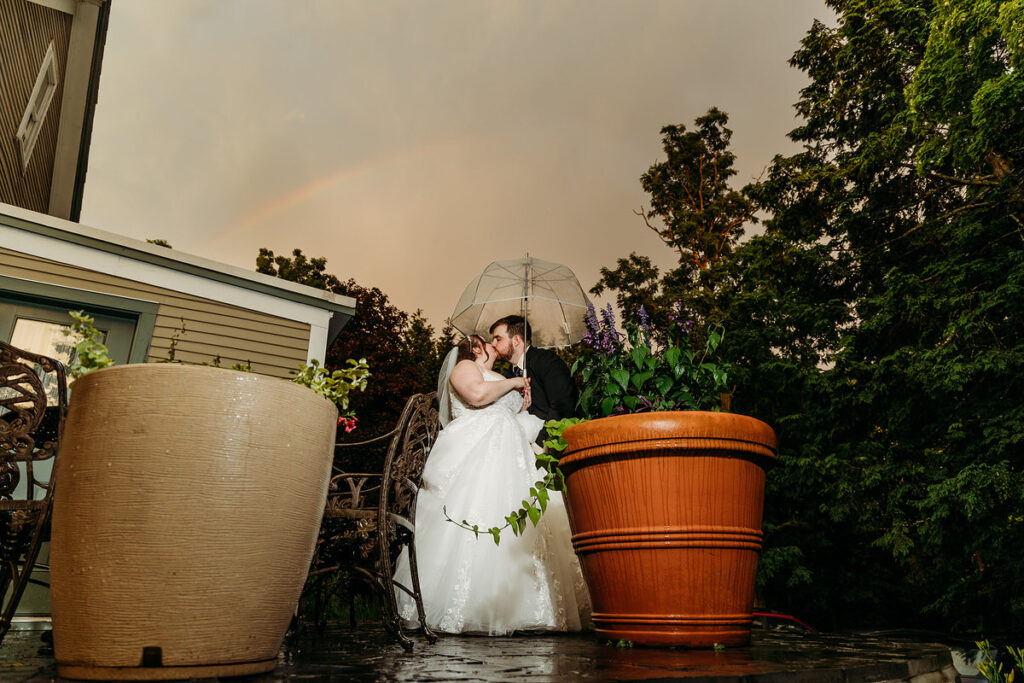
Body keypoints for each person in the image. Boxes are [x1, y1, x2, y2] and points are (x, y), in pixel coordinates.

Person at [393, 334, 590, 635]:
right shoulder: (465, 367)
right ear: (476, 348)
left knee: (521, 524)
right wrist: (512, 385)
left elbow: (507, 408)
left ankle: (530, 604)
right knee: (480, 513)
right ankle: (468, 606)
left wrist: (522, 402)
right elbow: (477, 396)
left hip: (512, 455)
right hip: (479, 451)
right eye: (489, 341)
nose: (494, 345)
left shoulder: (503, 374)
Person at [490, 315, 578, 450]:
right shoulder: (506, 377)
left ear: (516, 340)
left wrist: (540, 444)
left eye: (498, 339)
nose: (493, 344)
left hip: (551, 447)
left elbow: (562, 404)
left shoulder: (547, 361)